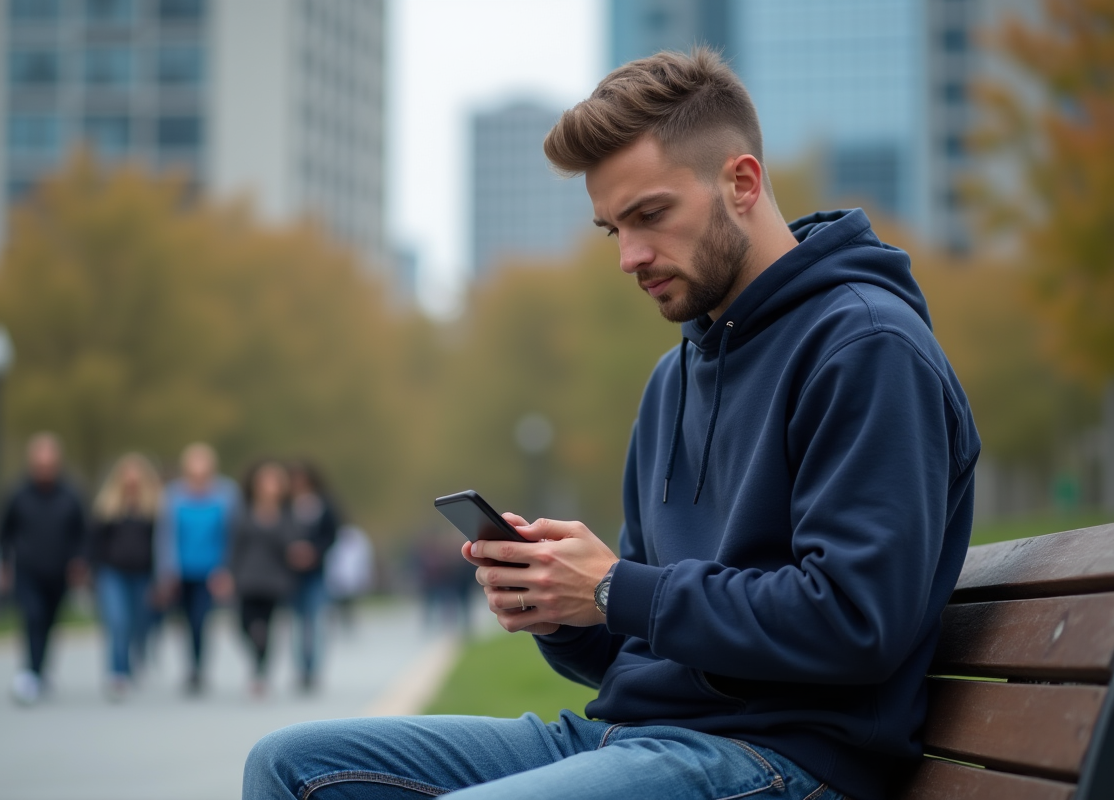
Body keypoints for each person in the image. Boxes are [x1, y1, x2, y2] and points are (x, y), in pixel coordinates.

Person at [245, 48, 983, 800]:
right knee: (290, 765)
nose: (630, 256)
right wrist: (564, 609)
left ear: (742, 182)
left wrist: (615, 588)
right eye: (611, 229)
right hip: (636, 738)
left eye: (651, 216)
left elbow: (856, 622)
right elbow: (646, 640)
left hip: (788, 760)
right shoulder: (675, 378)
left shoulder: (866, 347)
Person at [0, 433, 88, 706]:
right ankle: (29, 673)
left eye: (49, 465)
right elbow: (4, 532)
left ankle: (40, 669)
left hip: (59, 571)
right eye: (40, 465)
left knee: (49, 621)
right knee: (33, 616)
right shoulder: (17, 493)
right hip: (27, 569)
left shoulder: (71, 494)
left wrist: (79, 561)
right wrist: (3, 564)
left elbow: (82, 533)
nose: (44, 470)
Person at [155, 442, 239, 695]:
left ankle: (199, 669)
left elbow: (232, 534)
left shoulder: (226, 494)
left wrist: (226, 569)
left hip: (211, 571)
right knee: (184, 622)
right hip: (180, 572)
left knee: (201, 620)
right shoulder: (173, 495)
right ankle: (189, 666)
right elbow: (165, 536)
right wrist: (166, 571)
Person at [222, 460, 299, 697]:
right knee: (243, 624)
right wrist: (227, 573)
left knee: (266, 627)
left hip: (275, 579)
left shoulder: (287, 513)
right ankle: (256, 658)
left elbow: (291, 544)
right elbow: (234, 544)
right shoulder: (243, 510)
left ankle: (260, 672)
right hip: (246, 576)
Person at [89, 453, 162, 700]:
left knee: (139, 624)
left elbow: (161, 546)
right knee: (117, 621)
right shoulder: (107, 507)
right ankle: (117, 672)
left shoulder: (154, 508)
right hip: (112, 573)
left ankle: (134, 662)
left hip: (143, 574)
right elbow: (94, 544)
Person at [286, 461, 339, 692]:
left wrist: (314, 552)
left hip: (316, 572)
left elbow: (332, 535)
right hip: (291, 574)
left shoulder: (324, 505)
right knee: (297, 624)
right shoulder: (285, 505)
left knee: (315, 622)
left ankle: (313, 670)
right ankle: (301, 669)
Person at [323, 522, 374, 634]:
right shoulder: (334, 538)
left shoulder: (358, 539)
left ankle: (348, 626)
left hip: (348, 579)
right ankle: (337, 626)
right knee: (335, 604)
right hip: (336, 579)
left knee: (348, 604)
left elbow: (362, 560)